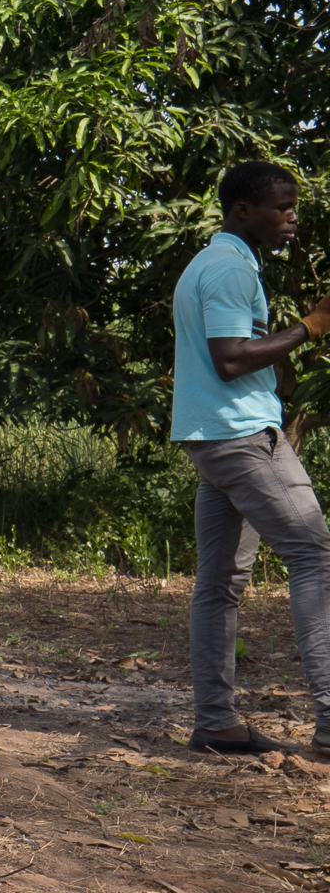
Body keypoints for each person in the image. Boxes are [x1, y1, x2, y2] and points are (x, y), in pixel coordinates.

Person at [170, 159, 330, 758]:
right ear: (244, 210)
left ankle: (215, 722)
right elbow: (231, 358)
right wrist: (312, 327)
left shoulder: (211, 264)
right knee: (314, 556)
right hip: (240, 439)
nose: (291, 217)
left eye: (294, 207)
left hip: (213, 437)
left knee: (218, 584)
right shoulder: (231, 271)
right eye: (281, 207)